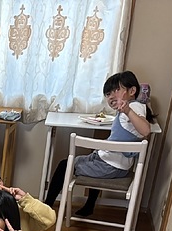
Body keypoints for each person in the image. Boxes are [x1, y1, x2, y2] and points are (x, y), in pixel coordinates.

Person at [44, 70, 154, 216]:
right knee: (94, 157)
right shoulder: (134, 107)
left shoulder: (133, 107)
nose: (111, 96)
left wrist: (127, 110)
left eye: (116, 90)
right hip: (112, 162)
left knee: (64, 165)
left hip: (111, 167)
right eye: (108, 94)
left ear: (132, 91)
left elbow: (146, 130)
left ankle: (46, 207)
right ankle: (89, 206)